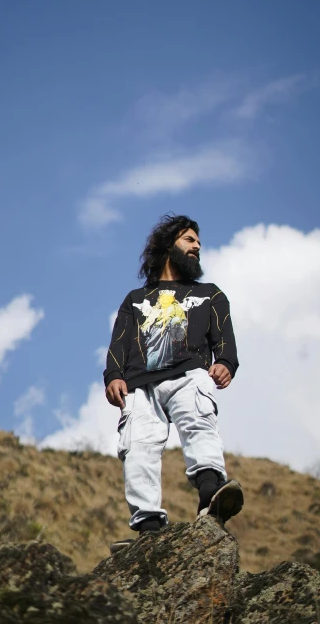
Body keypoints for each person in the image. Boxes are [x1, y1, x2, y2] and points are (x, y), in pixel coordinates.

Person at [104, 213, 243, 551]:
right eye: (189, 240)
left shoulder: (210, 294)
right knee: (137, 444)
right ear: (169, 245)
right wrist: (113, 376)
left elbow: (223, 335)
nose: (196, 246)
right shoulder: (135, 299)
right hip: (139, 385)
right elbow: (120, 341)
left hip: (189, 373)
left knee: (199, 421)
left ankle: (211, 495)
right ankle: (148, 526)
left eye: (198, 242)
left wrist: (225, 362)